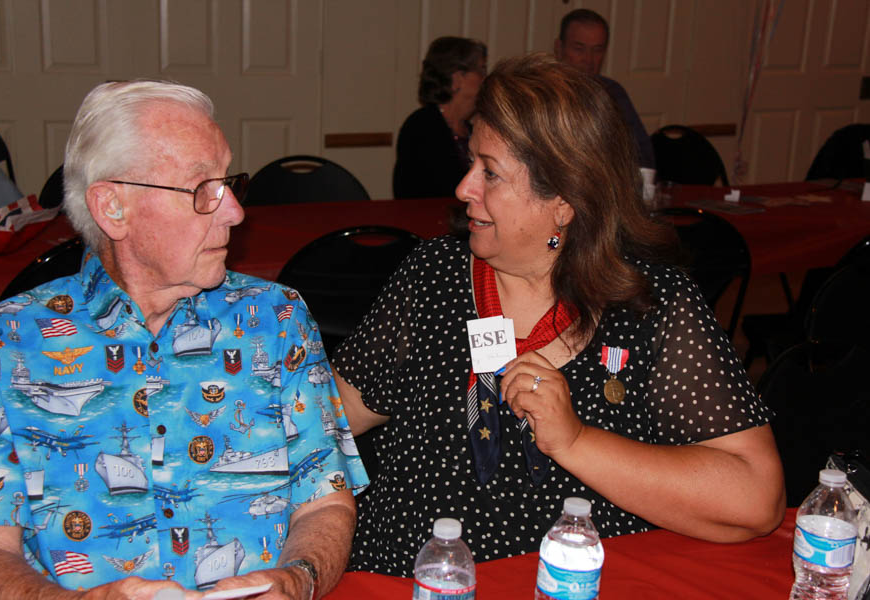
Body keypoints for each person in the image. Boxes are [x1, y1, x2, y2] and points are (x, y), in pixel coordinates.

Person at [333, 53, 785, 577]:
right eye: (470, 162)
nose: (464, 189)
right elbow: (328, 420)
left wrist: (575, 441)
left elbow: (754, 498)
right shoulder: (435, 275)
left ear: (564, 202)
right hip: (415, 582)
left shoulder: (649, 303)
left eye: (491, 173)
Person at [0, 80, 368, 599]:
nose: (234, 212)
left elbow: (326, 502)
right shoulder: (0, 346)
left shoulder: (274, 321)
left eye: (229, 183)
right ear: (113, 207)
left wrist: (299, 580)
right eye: (201, 189)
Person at [554, 9, 656, 169]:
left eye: (598, 50)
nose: (589, 59)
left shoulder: (613, 92)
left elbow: (642, 154)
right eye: (579, 48)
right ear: (559, 48)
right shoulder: (540, 92)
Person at [392, 36, 487, 199]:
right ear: (457, 79)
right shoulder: (422, 127)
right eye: (481, 70)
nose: (485, 78)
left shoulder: (472, 129)